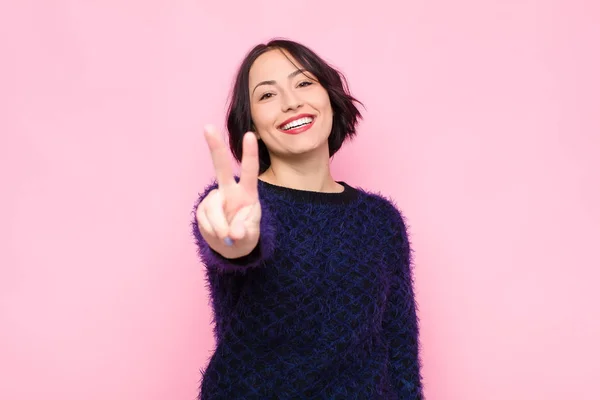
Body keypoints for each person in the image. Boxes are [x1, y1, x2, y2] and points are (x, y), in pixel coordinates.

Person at [192, 38, 423, 399]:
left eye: (303, 83)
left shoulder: (382, 221)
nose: (291, 102)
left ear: (330, 98)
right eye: (267, 95)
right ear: (249, 122)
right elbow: (239, 242)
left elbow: (400, 351)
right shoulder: (236, 206)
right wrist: (234, 241)